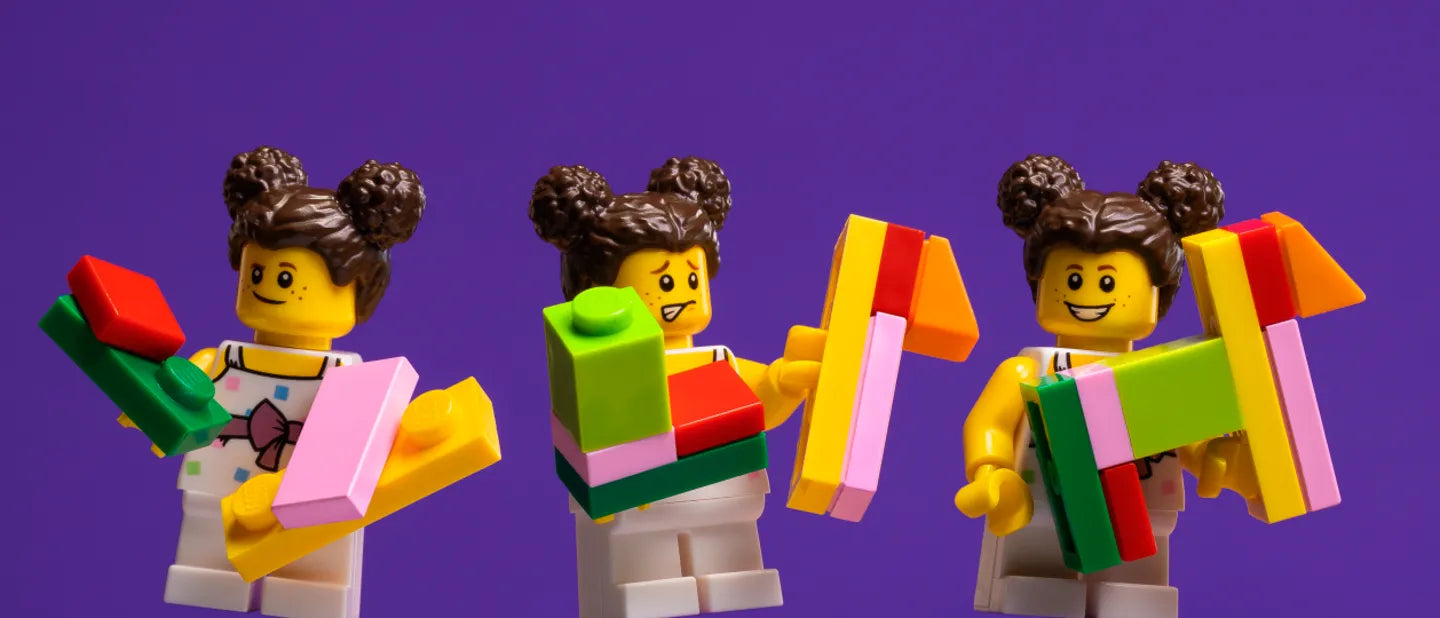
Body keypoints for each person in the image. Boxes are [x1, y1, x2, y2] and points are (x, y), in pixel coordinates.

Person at [529, 157, 818, 617]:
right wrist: (598, 487)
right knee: (648, 584)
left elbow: (758, 397)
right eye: (664, 281)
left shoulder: (717, 360)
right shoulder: (606, 372)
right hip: (641, 506)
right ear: (596, 287)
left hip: (726, 498)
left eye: (690, 278)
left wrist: (782, 384)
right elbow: (584, 435)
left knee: (734, 575)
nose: (680, 293)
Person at [955, 154, 1224, 618]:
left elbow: (1191, 439)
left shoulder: (1160, 377)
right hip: (1042, 504)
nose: (1088, 296)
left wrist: (1218, 458)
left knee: (1135, 597)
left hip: (1140, 515)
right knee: (1040, 591)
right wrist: (992, 470)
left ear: (1158, 293)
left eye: (1109, 281)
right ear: (1041, 284)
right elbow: (989, 423)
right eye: (1074, 279)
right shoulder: (1029, 372)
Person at [163, 146, 425, 618]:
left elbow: (386, 437)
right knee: (209, 540)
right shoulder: (220, 360)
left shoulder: (348, 378)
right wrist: (155, 411)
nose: (265, 285)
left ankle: (309, 590)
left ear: (359, 287)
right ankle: (211, 576)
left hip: (314, 493)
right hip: (221, 470)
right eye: (256, 272)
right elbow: (182, 396)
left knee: (316, 557)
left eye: (286, 278)